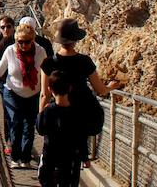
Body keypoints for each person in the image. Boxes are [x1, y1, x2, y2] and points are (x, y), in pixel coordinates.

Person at [40, 18, 119, 167]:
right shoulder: (85, 61)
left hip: (57, 112)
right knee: (76, 148)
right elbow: (100, 89)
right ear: (75, 40)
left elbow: (45, 94)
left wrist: (41, 117)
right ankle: (84, 159)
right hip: (80, 114)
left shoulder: (48, 63)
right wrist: (111, 87)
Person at [0, 24, 46, 168]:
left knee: (29, 125)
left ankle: (25, 158)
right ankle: (15, 157)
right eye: (20, 42)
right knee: (16, 123)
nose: (23, 45)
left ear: (33, 40)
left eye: (27, 41)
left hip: (33, 94)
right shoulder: (10, 51)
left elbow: (46, 73)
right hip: (12, 92)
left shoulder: (40, 52)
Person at [37, 70, 83, 187]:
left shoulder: (48, 110)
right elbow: (80, 135)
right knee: (65, 178)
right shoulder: (76, 111)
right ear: (70, 88)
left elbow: (40, 129)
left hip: (50, 149)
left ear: (50, 90)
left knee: (45, 174)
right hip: (69, 151)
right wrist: (84, 156)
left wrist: (40, 111)